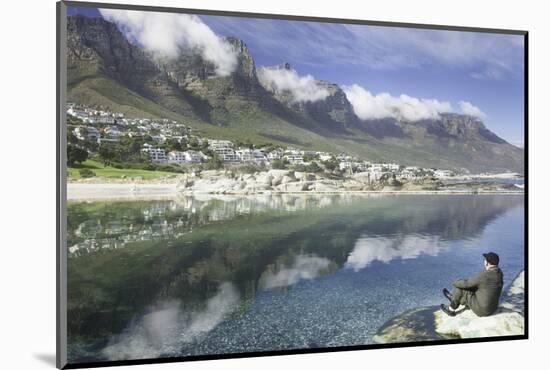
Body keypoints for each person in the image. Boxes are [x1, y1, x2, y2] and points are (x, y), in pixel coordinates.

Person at [440, 252, 503, 317]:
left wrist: (454, 281)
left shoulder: (485, 275)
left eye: (484, 260)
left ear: (487, 262)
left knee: (460, 288)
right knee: (474, 287)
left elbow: (466, 284)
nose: (484, 261)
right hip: (492, 308)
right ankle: (454, 298)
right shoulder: (499, 273)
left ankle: (451, 310)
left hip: (482, 311)